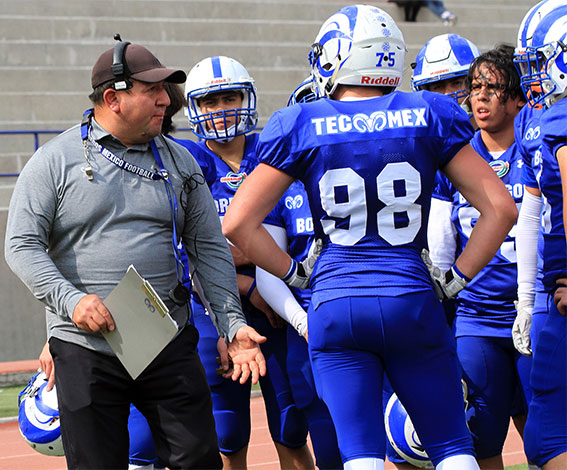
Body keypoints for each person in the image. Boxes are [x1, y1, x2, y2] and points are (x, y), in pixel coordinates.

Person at [222, 5, 518, 470]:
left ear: (340, 56)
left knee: (360, 454)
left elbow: (237, 224)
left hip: (336, 303)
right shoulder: (429, 112)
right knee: (451, 447)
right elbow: (500, 209)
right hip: (410, 296)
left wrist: (297, 273)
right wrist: (457, 279)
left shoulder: (302, 121)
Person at [4, 38, 267, 469]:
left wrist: (232, 325)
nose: (167, 100)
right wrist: (71, 301)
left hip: (165, 338)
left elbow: (209, 249)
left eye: (166, 90)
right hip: (84, 347)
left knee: (199, 459)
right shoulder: (53, 161)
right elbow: (20, 244)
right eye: (152, 91)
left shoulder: (181, 163)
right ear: (113, 98)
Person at [171, 55, 315, 470]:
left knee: (292, 422)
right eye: (211, 102)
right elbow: (189, 254)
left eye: (230, 97)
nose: (221, 110)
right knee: (226, 433)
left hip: (281, 307)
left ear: (247, 98)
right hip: (211, 310)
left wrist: (244, 252)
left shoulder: (272, 153)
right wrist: (248, 284)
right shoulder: (188, 163)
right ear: (195, 108)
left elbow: (296, 240)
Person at [428, 46, 529, 470]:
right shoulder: (457, 156)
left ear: (518, 98)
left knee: (545, 432)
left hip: (535, 311)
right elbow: (440, 245)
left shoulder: (537, 149)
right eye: (475, 87)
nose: (480, 97)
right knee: (481, 434)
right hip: (477, 315)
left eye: (492, 87)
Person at [251, 78, 342, 470]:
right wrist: (301, 320)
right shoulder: (283, 187)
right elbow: (267, 267)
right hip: (311, 324)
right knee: (318, 419)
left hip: (366, 309)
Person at [515, 7, 567, 469]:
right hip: (547, 292)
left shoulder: (559, 121)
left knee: (548, 437)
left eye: (540, 60)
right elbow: (532, 212)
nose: (533, 73)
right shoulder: (538, 119)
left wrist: (565, 273)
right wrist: (527, 300)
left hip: (565, 291)